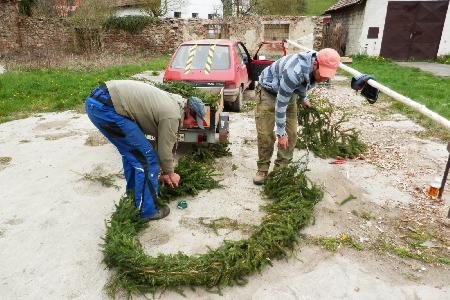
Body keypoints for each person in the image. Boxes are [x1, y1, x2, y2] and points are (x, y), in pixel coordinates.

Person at [85, 80, 187, 221]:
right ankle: (148, 211)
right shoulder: (173, 115)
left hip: (96, 101)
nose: (191, 124)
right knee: (147, 160)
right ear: (189, 111)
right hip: (108, 108)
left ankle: (133, 198)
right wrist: (170, 173)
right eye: (194, 120)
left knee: (133, 155)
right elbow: (164, 152)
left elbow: (161, 143)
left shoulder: (171, 101)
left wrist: (164, 172)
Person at [253, 48, 341, 185]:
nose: (324, 79)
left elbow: (306, 81)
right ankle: (263, 169)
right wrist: (281, 134)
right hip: (268, 91)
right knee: (266, 134)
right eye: (323, 74)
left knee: (292, 134)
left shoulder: (316, 66)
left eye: (327, 76)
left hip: (289, 91)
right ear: (315, 64)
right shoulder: (294, 72)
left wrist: (303, 97)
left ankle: (280, 170)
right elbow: (281, 106)